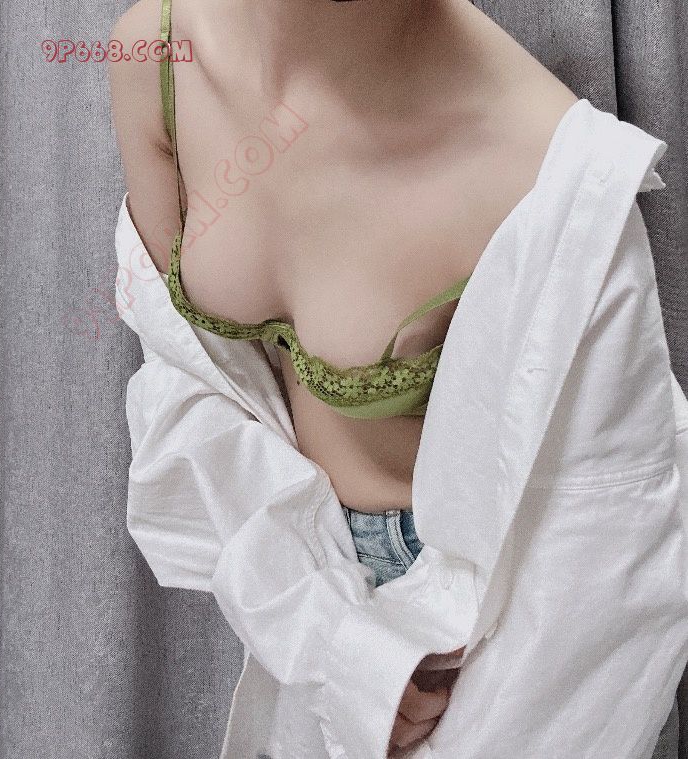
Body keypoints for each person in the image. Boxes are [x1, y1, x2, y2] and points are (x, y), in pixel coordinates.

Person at [110, 1, 686, 757]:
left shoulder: (541, 168)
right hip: (294, 598)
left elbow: (607, 582)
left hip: (486, 647)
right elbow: (189, 384)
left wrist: (363, 661)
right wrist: (327, 638)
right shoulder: (158, 55)